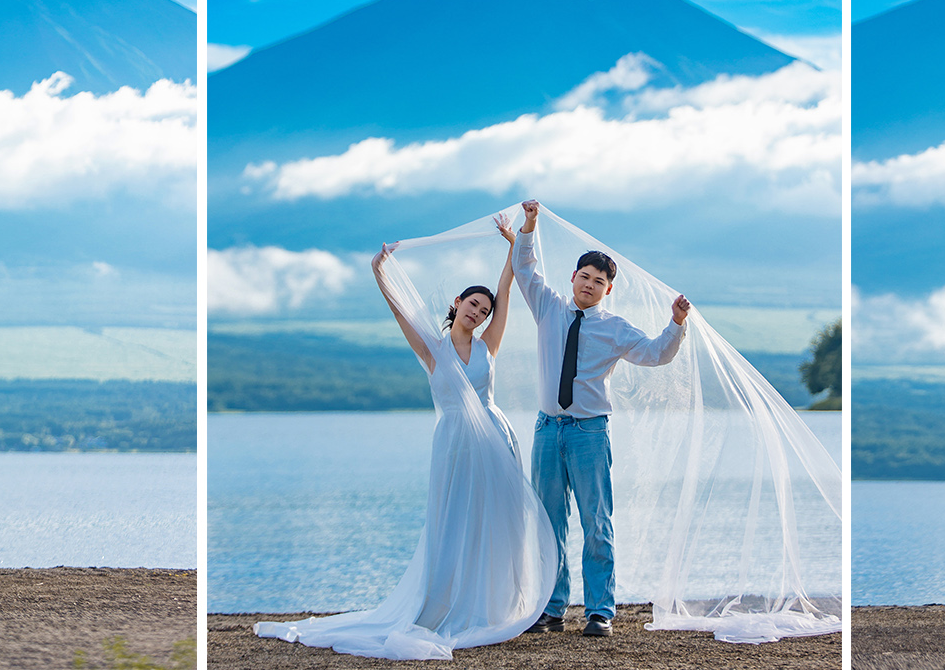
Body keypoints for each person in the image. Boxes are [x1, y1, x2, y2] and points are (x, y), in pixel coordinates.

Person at [255, 214, 556, 660]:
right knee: (454, 522)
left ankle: (498, 603)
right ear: (457, 303)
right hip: (455, 442)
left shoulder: (489, 344)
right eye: (473, 305)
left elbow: (507, 286)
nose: (479, 312)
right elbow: (398, 308)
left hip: (495, 438)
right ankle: (448, 603)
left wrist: (515, 242)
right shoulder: (432, 349)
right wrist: (380, 269)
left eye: (484, 310)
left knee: (501, 520)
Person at [512, 199, 690, 638]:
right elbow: (524, 268)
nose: (590, 285)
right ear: (572, 278)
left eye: (599, 281)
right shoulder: (549, 307)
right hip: (547, 429)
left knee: (596, 520)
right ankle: (551, 609)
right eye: (585, 277)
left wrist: (676, 324)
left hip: (590, 432)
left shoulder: (614, 328)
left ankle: (599, 612)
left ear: (608, 289)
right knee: (548, 521)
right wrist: (529, 226)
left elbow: (655, 354)